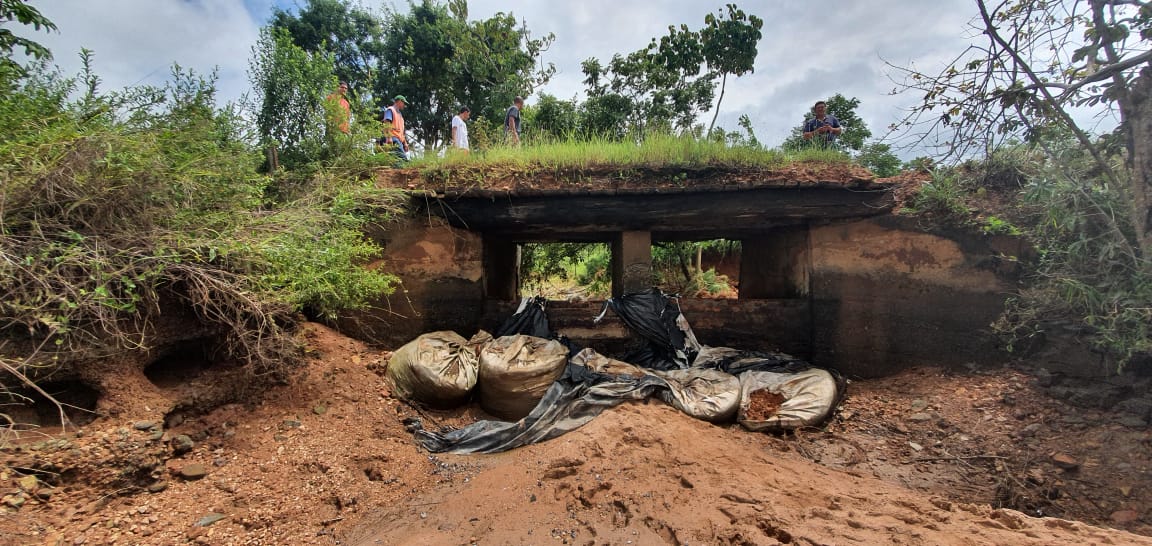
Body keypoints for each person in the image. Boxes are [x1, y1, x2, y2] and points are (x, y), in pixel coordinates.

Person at [381, 95, 409, 160]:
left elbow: (401, 132)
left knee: (396, 160)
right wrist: (389, 137)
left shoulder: (400, 116)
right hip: (393, 138)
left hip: (399, 140)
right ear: (399, 101)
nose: (404, 105)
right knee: (403, 159)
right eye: (404, 103)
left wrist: (405, 143)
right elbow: (387, 123)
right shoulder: (390, 110)